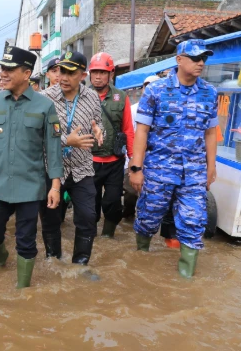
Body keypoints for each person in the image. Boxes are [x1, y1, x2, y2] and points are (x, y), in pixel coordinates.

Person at [0, 46, 63, 288]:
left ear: (26, 73)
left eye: (10, 69)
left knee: (26, 241)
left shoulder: (44, 106)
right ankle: (1, 259)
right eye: (3, 68)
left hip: (30, 187)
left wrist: (55, 186)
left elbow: (53, 149)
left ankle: (23, 291)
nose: (3, 74)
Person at [129, 39, 218, 278]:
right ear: (179, 59)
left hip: (194, 172)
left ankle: (186, 280)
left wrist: (212, 167)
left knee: (193, 221)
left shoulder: (210, 93)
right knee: (148, 217)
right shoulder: (156, 91)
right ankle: (140, 261)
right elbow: (142, 131)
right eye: (195, 58)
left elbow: (210, 133)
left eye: (204, 59)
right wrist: (136, 167)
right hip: (159, 169)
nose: (201, 63)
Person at [38, 51, 104, 264]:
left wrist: (99, 131)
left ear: (83, 75)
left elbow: (97, 122)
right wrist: (68, 140)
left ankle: (80, 264)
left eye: (70, 73)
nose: (63, 77)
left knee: (87, 218)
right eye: (60, 71)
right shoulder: (45, 98)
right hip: (51, 168)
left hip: (81, 168)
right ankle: (53, 261)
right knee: (50, 219)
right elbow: (39, 136)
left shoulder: (92, 96)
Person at [89, 52, 135, 238]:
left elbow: (128, 129)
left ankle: (108, 237)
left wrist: (133, 161)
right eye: (95, 72)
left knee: (113, 202)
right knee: (90, 204)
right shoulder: (82, 96)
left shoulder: (121, 97)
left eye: (102, 72)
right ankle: (90, 238)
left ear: (111, 73)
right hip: (89, 161)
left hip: (114, 161)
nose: (98, 76)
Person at [123, 74, 161, 220]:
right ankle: (128, 218)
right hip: (134, 157)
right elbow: (130, 133)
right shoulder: (133, 110)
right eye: (147, 86)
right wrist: (132, 159)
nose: (150, 89)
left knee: (153, 196)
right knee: (131, 192)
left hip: (155, 161)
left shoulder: (164, 110)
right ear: (143, 88)